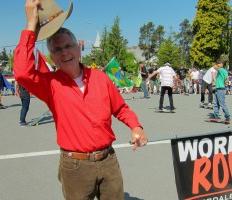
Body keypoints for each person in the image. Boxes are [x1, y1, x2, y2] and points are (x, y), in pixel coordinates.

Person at [14, 1, 148, 199]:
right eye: (57, 50)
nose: (64, 52)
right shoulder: (50, 84)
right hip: (75, 167)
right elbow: (23, 73)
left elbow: (121, 109)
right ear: (52, 57)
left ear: (79, 48)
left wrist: (136, 127)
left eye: (68, 46)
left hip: (108, 161)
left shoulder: (100, 78)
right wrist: (31, 25)